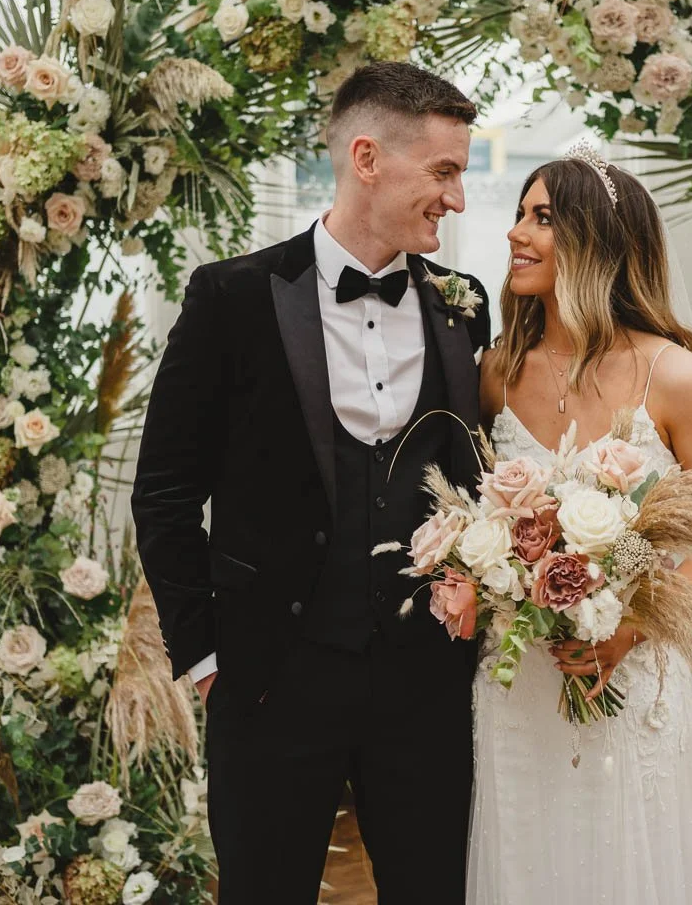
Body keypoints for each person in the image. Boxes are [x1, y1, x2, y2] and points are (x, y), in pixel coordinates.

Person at [131, 61, 491, 905]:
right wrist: (207, 655)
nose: (458, 199)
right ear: (367, 158)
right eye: (442, 172)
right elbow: (166, 491)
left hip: (425, 689)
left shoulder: (464, 302)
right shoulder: (233, 297)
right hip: (270, 680)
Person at [468, 150, 692, 904]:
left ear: (596, 241)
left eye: (543, 219)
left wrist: (631, 625)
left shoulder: (674, 376)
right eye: (519, 215)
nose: (515, 235)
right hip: (519, 678)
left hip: (631, 676)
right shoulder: (495, 371)